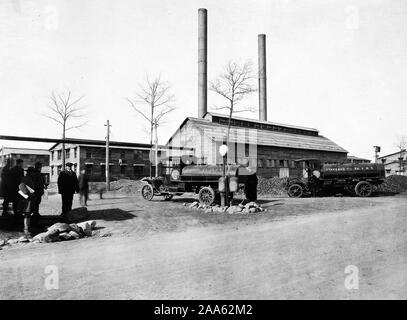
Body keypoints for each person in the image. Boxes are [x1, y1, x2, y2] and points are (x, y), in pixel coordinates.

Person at [17, 167, 37, 235]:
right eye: (33, 172)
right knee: (26, 214)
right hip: (26, 199)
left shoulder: (30, 178)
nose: (34, 173)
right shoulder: (25, 178)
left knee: (28, 214)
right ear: (30, 172)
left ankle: (27, 228)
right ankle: (26, 229)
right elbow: (21, 186)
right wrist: (27, 194)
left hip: (29, 199)